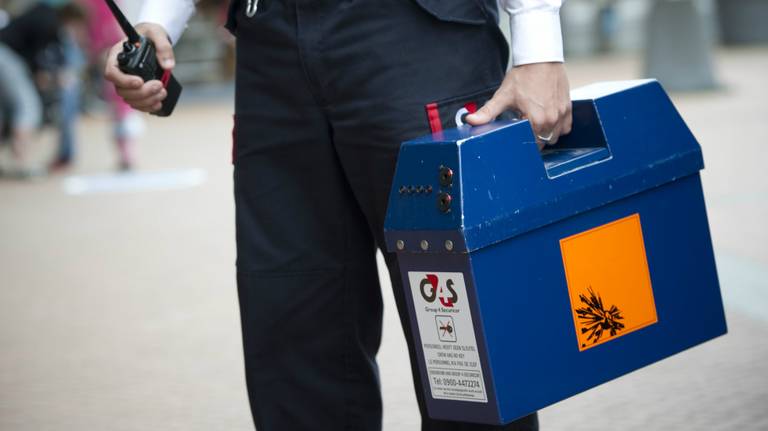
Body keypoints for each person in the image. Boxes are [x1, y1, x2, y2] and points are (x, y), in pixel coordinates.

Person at [105, 0, 572, 430]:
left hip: (413, 32)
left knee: (460, 347)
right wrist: (156, 20)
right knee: (294, 336)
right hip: (270, 44)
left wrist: (537, 39)